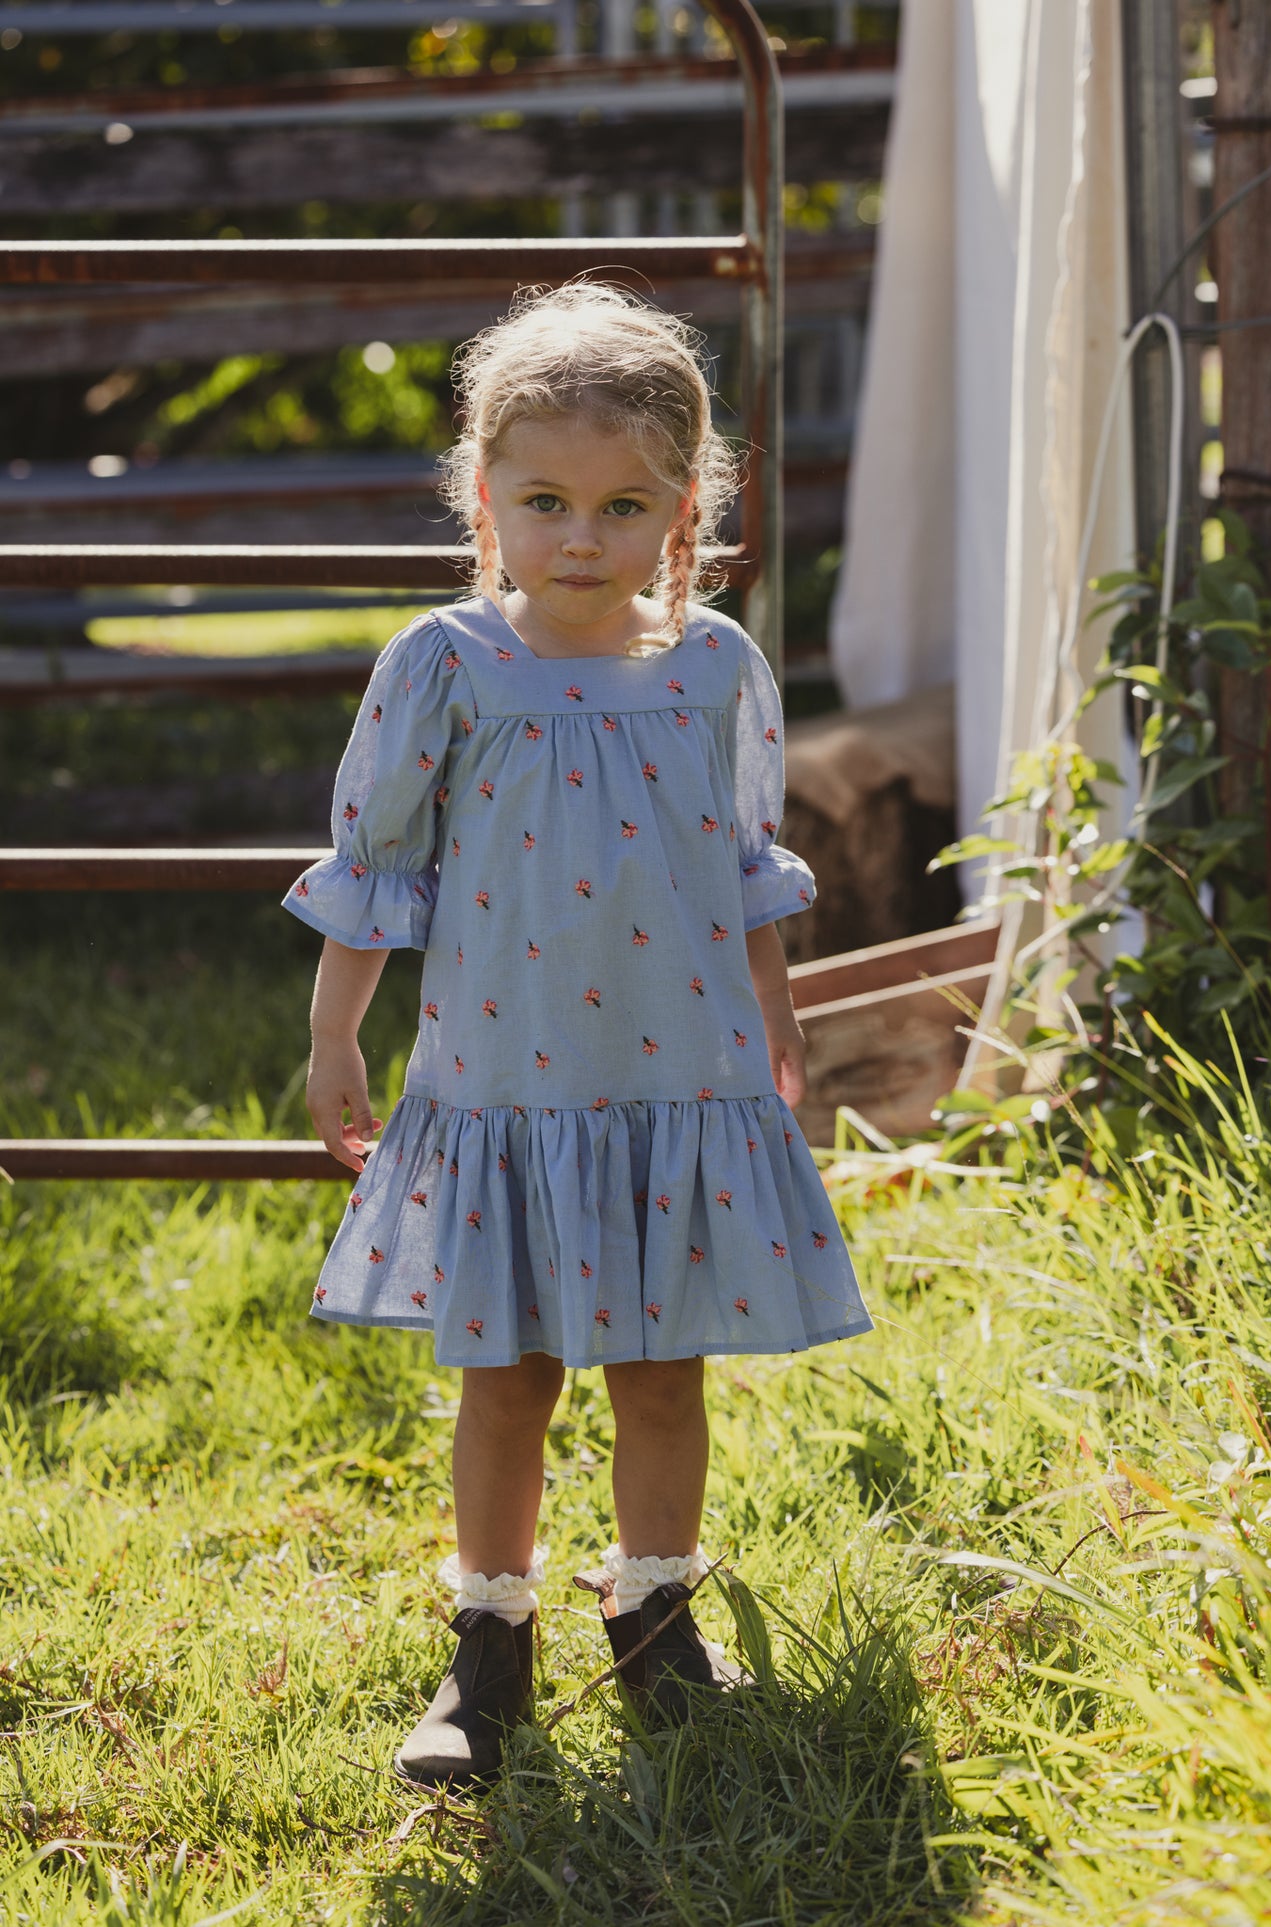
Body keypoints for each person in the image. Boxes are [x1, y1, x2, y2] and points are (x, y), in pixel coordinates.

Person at [282, 282, 873, 1788]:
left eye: (623, 506)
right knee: (512, 1373)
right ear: (483, 498)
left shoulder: (713, 671)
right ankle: (490, 1642)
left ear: (685, 513)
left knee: (662, 1370)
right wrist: (337, 1032)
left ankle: (655, 1619)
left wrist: (778, 1014)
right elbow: (378, 867)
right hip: (505, 1081)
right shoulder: (446, 665)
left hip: (676, 1076)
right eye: (545, 502)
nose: (582, 539)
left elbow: (740, 870)